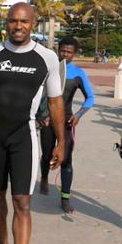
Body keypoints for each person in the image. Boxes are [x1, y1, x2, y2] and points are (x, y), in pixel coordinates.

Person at [0, 2, 65, 244]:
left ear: (33, 24)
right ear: (6, 22)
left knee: (22, 202)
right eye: (13, 21)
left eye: (24, 21)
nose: (18, 26)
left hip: (25, 136)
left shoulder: (47, 57)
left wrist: (60, 143)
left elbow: (56, 102)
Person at [39, 37, 95, 213]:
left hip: (67, 122)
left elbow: (90, 98)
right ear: (58, 50)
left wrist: (79, 114)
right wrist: (40, 115)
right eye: (62, 50)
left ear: (74, 54)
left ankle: (65, 198)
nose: (65, 54)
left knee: (66, 160)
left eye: (69, 52)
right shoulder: (48, 70)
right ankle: (44, 178)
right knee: (47, 153)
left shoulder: (78, 74)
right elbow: (39, 94)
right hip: (48, 121)